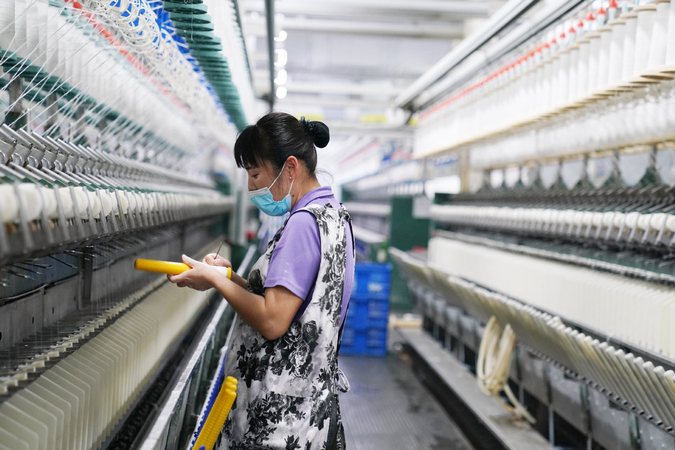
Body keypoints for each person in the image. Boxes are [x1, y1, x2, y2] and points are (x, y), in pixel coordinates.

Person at [167, 111, 355, 450]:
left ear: (291, 167)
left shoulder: (302, 226)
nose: (252, 186)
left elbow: (272, 320)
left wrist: (217, 281)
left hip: (279, 424)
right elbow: (295, 309)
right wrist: (227, 277)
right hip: (307, 414)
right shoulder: (333, 218)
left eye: (255, 174)